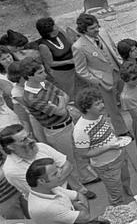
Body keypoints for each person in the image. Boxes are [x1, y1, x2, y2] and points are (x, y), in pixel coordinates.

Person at [18, 60, 92, 197]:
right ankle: (79, 189)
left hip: (69, 123)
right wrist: (60, 103)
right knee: (67, 161)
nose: (44, 75)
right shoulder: (30, 97)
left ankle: (86, 177)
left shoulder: (43, 83)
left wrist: (59, 103)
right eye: (40, 72)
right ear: (29, 76)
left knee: (79, 152)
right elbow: (60, 111)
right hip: (57, 130)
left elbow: (65, 95)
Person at [73, 88, 133, 207]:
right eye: (97, 104)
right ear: (87, 108)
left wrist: (117, 142)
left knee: (125, 180)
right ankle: (122, 212)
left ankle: (129, 198)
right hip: (106, 166)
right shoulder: (80, 130)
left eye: (101, 102)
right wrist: (108, 147)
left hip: (119, 154)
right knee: (116, 194)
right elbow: (83, 154)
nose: (102, 105)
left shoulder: (99, 116)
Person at [72, 13, 126, 134]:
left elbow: (113, 48)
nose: (96, 29)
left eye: (97, 26)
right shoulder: (79, 46)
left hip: (118, 71)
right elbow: (81, 70)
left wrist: (121, 63)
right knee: (112, 108)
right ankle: (122, 131)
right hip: (103, 80)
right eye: (92, 28)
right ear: (84, 30)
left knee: (128, 97)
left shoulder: (103, 32)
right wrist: (98, 81)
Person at [35, 17, 78, 97]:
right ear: (49, 32)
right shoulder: (43, 46)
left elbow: (70, 43)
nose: (56, 27)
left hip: (75, 65)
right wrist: (69, 61)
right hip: (62, 72)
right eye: (54, 28)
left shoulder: (60, 32)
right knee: (70, 92)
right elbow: (51, 63)